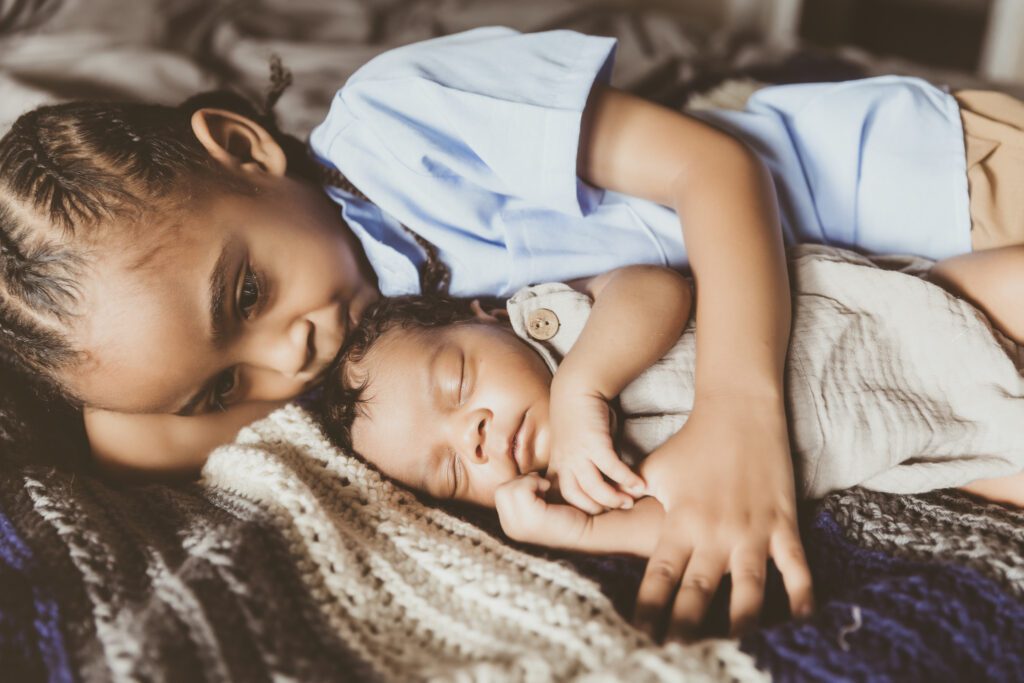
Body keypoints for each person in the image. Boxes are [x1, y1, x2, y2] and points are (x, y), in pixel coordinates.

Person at [2, 25, 1023, 641]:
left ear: (238, 146)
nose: (285, 357)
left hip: (923, 191)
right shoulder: (348, 355)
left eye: (243, 294)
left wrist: (740, 414)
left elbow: (716, 168)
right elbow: (128, 442)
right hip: (890, 301)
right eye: (225, 385)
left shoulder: (404, 120)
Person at [318, 252, 1024, 579]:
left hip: (877, 315)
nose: (471, 437)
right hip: (903, 439)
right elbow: (681, 524)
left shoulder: (554, 322)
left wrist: (581, 388)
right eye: (447, 471)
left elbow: (658, 290)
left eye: (456, 380)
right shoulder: (574, 488)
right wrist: (582, 529)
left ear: (488, 316)